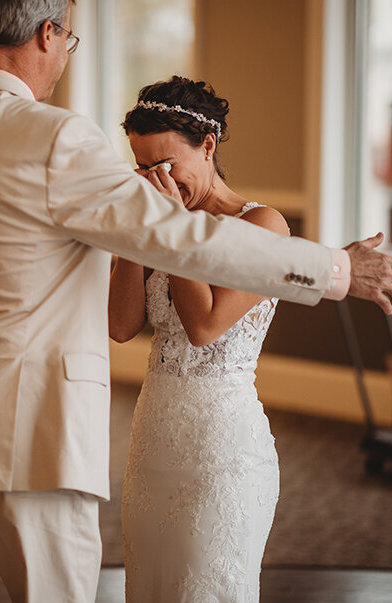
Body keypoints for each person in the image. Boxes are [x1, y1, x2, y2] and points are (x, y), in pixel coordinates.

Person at [0, 0, 392, 603]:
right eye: (67, 40)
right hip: (27, 435)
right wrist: (336, 268)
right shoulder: (57, 137)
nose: (65, 55)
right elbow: (177, 235)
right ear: (46, 33)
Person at [109, 76, 290, 602]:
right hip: (153, 440)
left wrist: (169, 227)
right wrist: (132, 239)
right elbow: (121, 327)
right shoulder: (161, 223)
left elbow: (206, 327)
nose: (154, 178)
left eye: (165, 164)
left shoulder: (263, 225)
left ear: (207, 146)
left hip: (223, 450)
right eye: (142, 166)